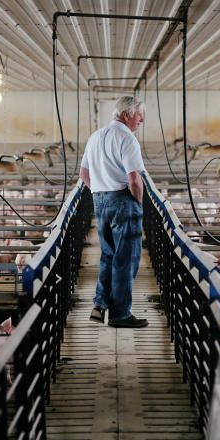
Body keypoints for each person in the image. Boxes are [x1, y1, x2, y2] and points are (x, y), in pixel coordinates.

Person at [79, 96, 149, 328]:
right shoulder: (127, 139)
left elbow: (84, 175)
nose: (141, 119)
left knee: (108, 254)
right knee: (126, 258)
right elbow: (134, 179)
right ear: (126, 114)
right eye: (139, 114)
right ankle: (120, 314)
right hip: (122, 201)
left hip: (100, 200)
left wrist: (100, 194)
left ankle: (100, 305)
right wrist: (137, 204)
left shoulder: (95, 137)